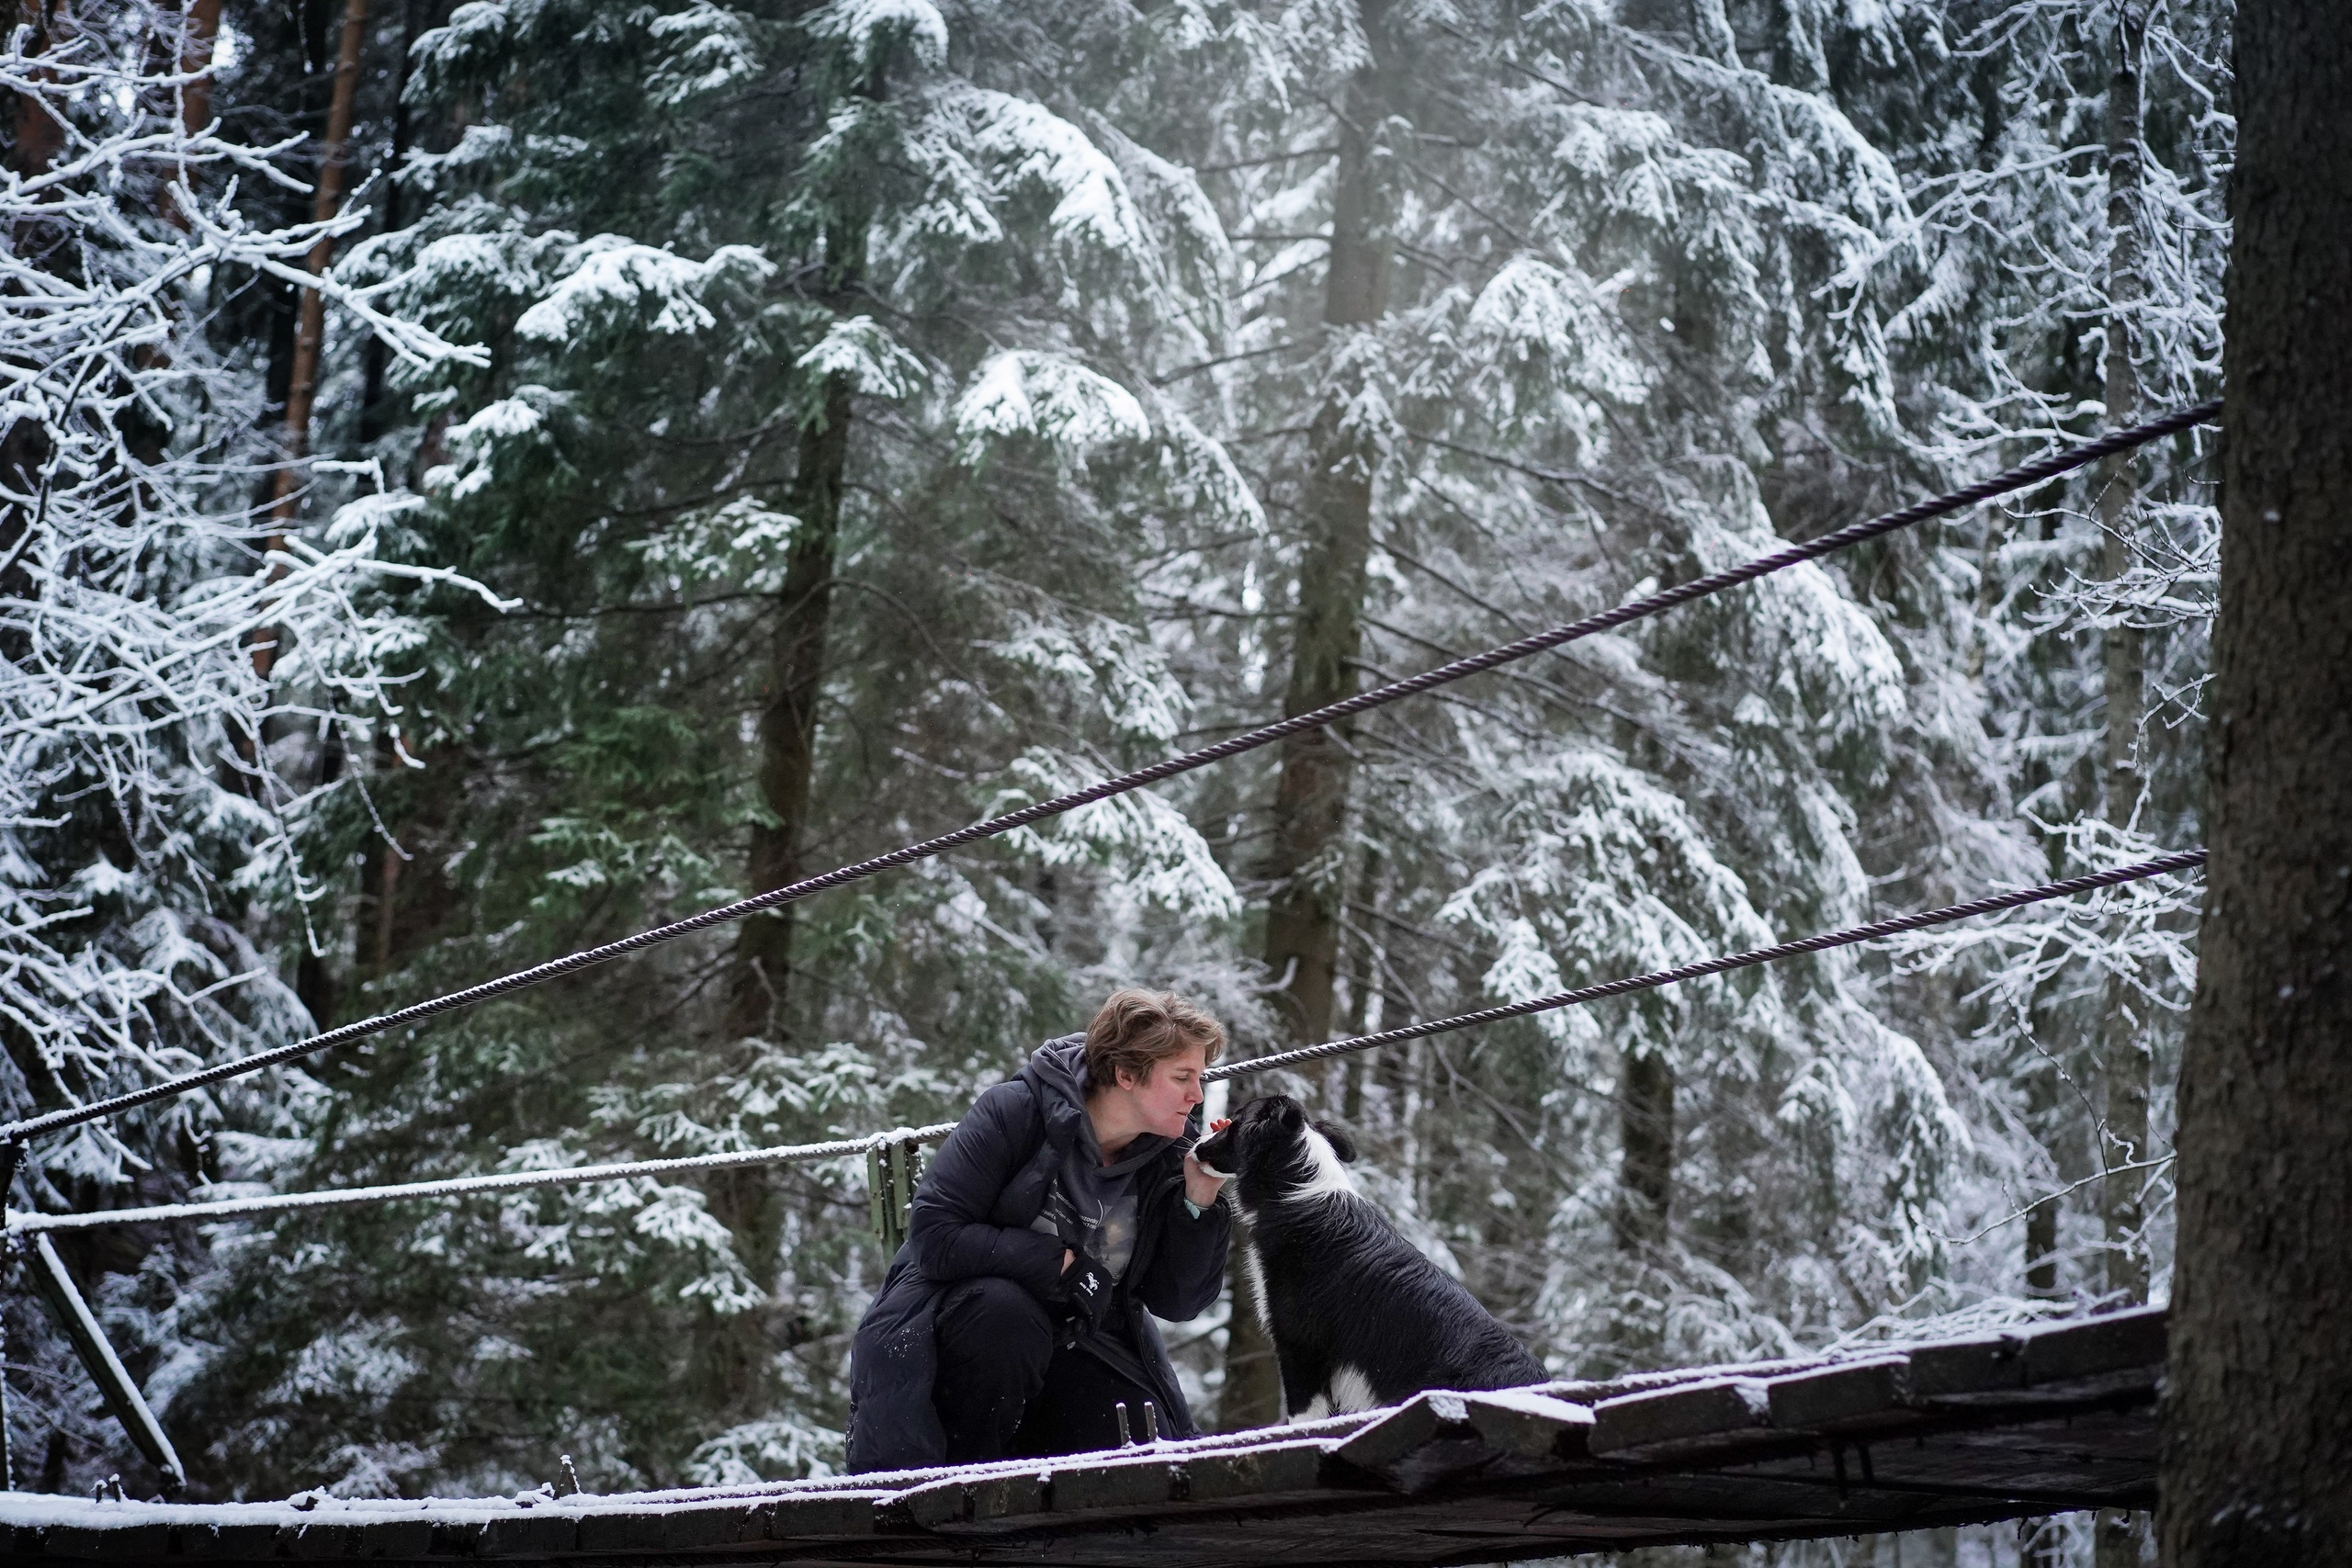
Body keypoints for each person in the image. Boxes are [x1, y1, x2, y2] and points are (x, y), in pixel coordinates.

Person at [845, 989, 1233, 1472]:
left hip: (1082, 1338)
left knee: (1144, 1459)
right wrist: (1061, 1266)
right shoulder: (1017, 1109)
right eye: (1183, 1078)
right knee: (1004, 1315)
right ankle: (961, 1493)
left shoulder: (1173, 1155)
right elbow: (934, 1234)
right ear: (1127, 1074)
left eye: (1199, 1078)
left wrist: (1198, 1199)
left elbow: (1178, 1302)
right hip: (966, 1329)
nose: (1196, 1094)